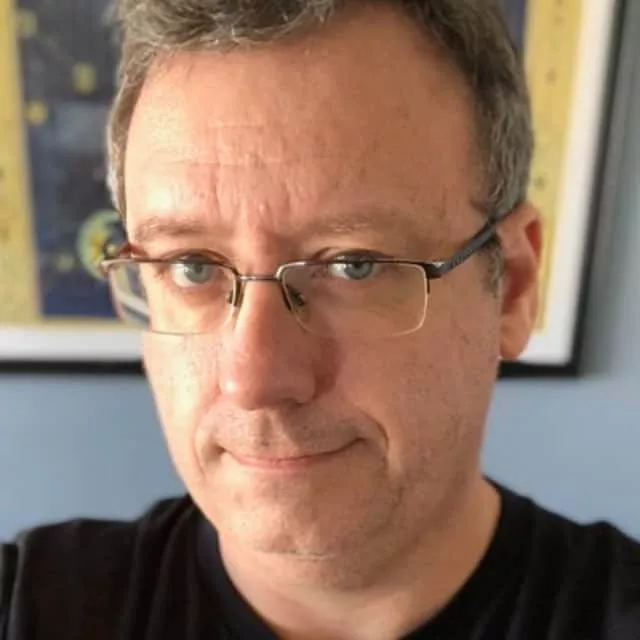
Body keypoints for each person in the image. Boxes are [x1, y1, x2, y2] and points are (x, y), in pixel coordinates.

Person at [1, 1, 639, 638]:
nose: (254, 380)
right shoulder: (30, 607)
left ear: (513, 287)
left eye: (354, 266)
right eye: (192, 267)